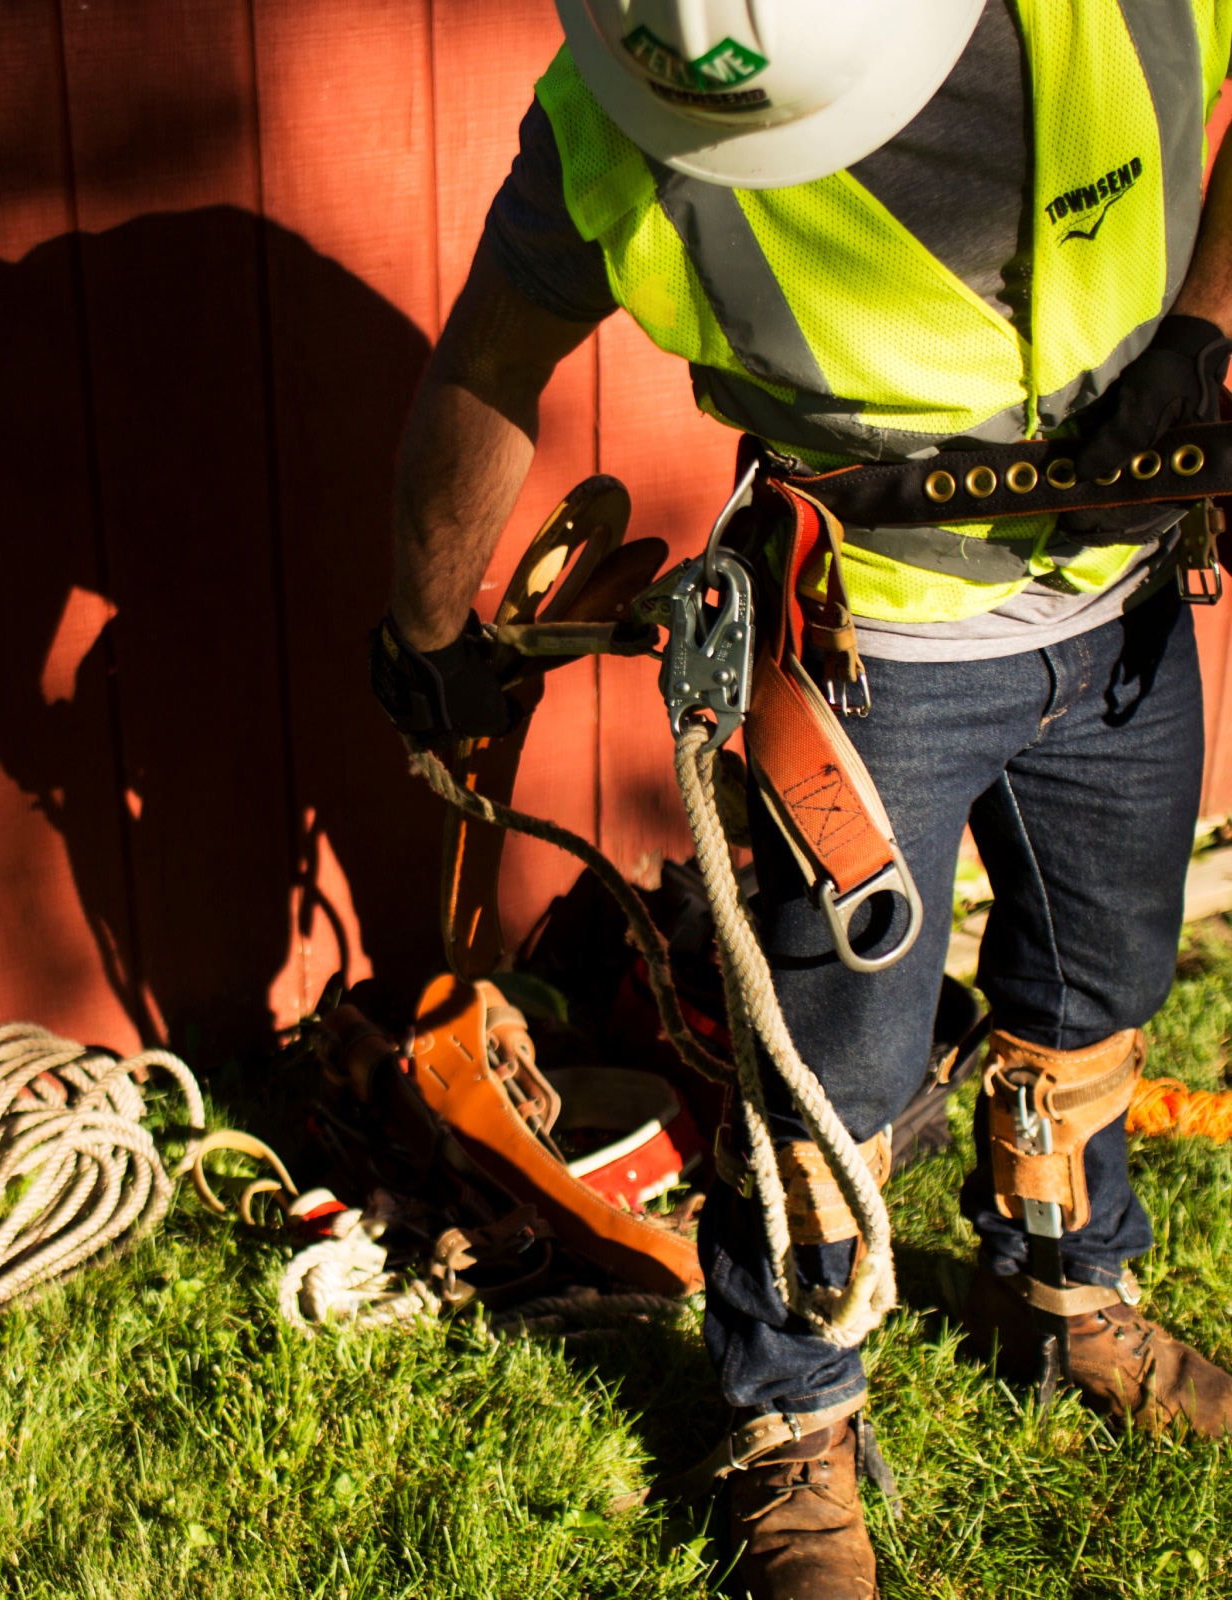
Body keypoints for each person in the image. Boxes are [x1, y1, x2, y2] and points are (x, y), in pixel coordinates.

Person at [369, 2, 1232, 1594]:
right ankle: (793, 1419)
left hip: (1118, 610)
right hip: (862, 659)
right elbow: (492, 356)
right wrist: (432, 635)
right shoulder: (626, 98)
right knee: (819, 1081)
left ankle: (1063, 1289)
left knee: (1097, 985)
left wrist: (1204, 321)